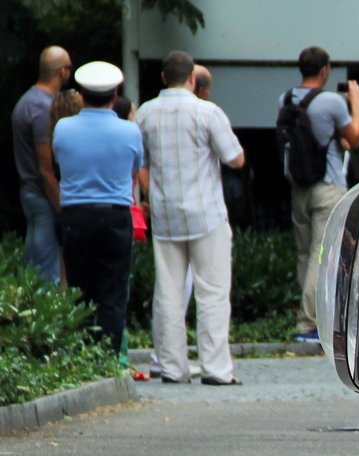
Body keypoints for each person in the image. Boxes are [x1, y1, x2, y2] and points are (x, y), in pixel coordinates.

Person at [137, 50, 246, 385]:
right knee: (212, 291)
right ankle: (215, 369)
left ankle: (172, 367)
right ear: (193, 79)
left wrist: (149, 192)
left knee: (168, 291)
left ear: (162, 77)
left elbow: (139, 161)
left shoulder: (144, 113)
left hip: (165, 214)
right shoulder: (206, 111)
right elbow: (235, 159)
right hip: (206, 213)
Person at [52, 61, 142, 355]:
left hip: (75, 216)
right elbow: (133, 171)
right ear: (115, 96)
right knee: (113, 294)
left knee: (80, 292)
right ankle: (110, 358)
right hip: (116, 215)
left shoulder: (63, 128)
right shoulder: (130, 131)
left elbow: (58, 166)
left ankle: (81, 357)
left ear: (80, 96)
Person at [281, 46, 359, 343]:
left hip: (299, 186)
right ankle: (308, 324)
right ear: (325, 70)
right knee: (322, 255)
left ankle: (305, 318)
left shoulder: (287, 98)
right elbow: (354, 136)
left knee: (305, 254)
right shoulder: (331, 101)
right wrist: (355, 104)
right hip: (327, 186)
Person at [11, 45, 72, 284]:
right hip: (42, 194)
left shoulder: (26, 100)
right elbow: (45, 167)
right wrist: (61, 207)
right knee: (47, 271)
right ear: (62, 71)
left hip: (29, 191)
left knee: (34, 262)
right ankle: (45, 319)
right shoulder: (43, 108)